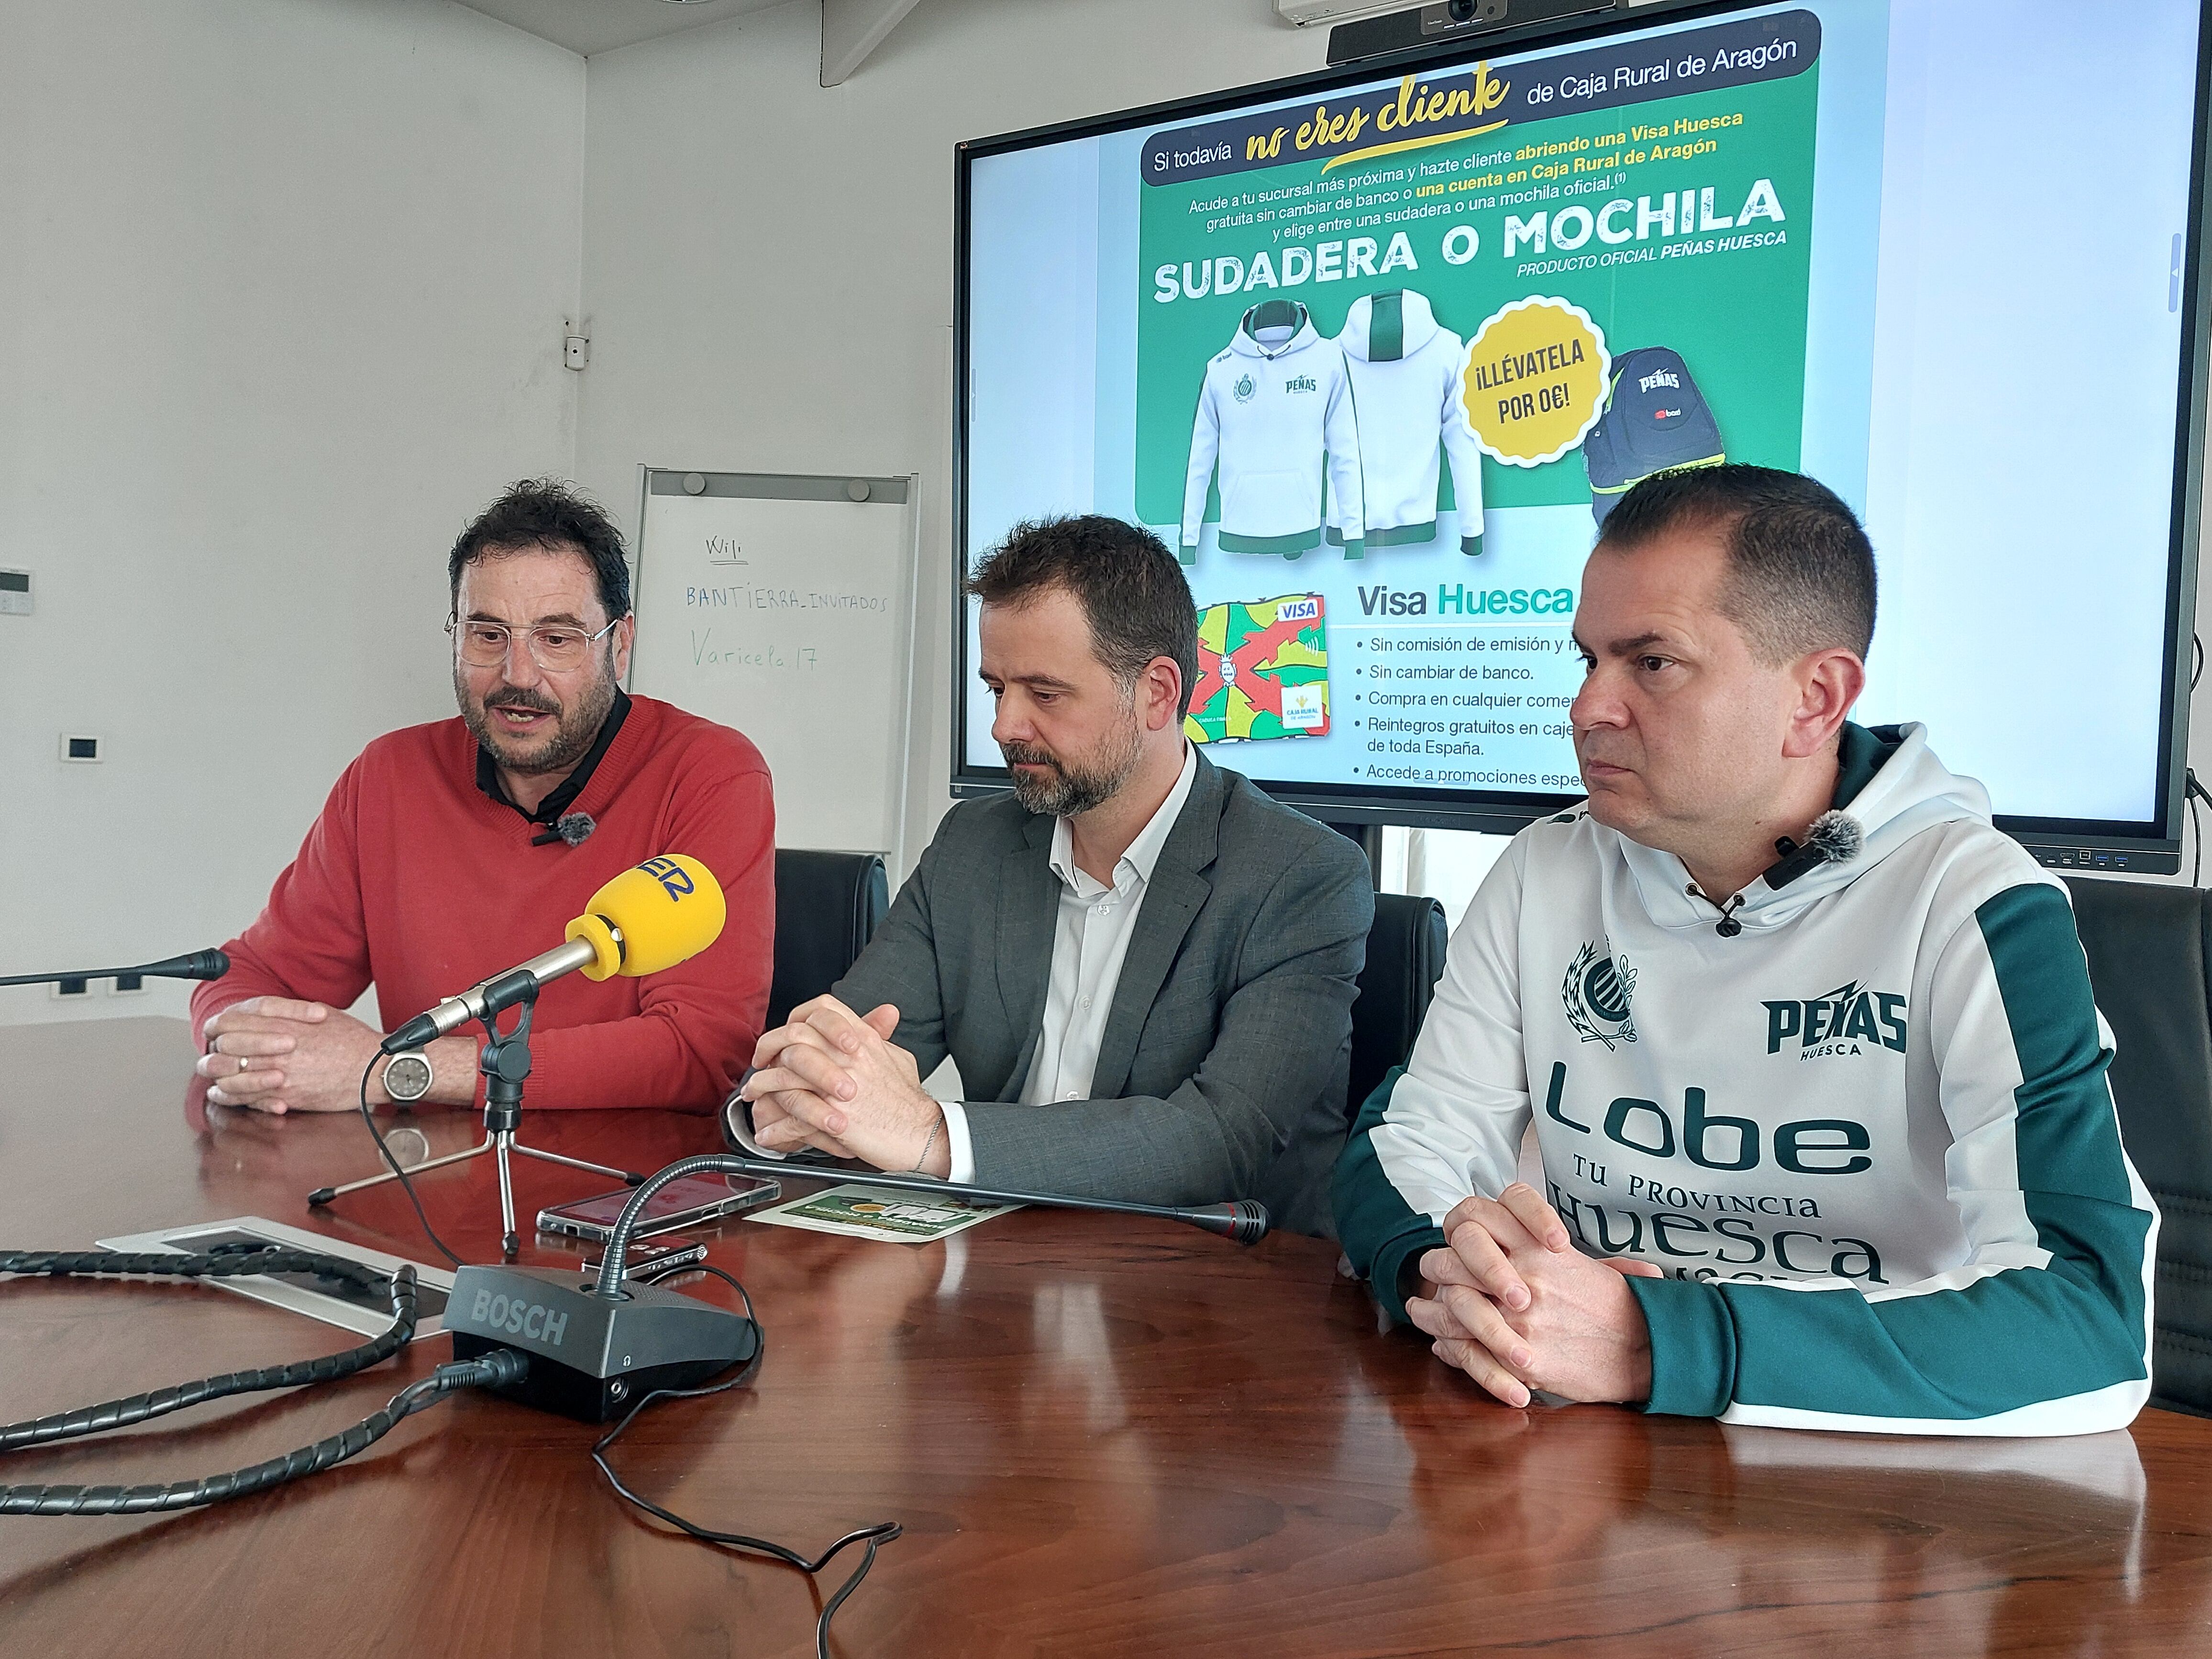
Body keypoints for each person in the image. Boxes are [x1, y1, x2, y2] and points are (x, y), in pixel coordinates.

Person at [1336, 465, 2157, 1434]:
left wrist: (1658, 1342)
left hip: (1872, 1472)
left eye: (1651, 663)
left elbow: (2088, 1320)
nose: (1588, 708)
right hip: (1580, 1444)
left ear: (1815, 698)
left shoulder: (1975, 903)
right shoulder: (1544, 870)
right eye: (1587, 660)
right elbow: (1409, 1145)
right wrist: (1452, 1275)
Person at [730, 514, 1373, 1237]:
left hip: (1206, 1283)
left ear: (1158, 693)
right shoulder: (975, 844)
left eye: (1044, 693)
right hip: (996, 1261)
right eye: (996, 689)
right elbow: (847, 1056)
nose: (1004, 726)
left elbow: (1220, 1142)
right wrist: (795, 1097)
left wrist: (932, 1136)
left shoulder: (1301, 876)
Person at [191, 479, 774, 1116]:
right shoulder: (388, 776)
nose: (518, 676)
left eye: (557, 639)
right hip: (423, 1166)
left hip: (621, 1173)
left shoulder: (710, 775)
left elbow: (702, 1052)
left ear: (621, 644)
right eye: (488, 635)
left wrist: (400, 1069)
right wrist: (242, 1046)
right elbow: (252, 976)